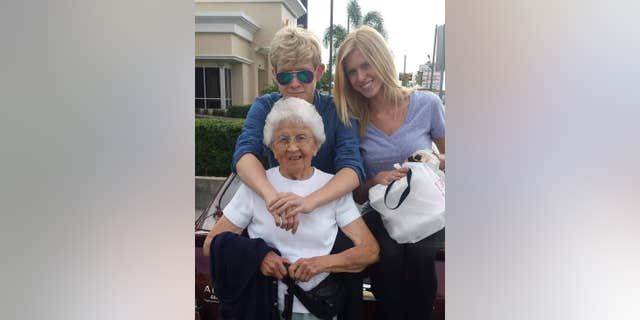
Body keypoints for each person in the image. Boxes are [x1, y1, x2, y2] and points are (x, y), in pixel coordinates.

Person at [204, 97, 379, 320]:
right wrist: (259, 257)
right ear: (272, 148)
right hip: (264, 308)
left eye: (302, 138)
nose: (292, 147)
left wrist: (320, 264)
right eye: (283, 139)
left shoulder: (332, 188)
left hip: (319, 309)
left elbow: (369, 251)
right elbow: (211, 244)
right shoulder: (257, 187)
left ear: (316, 145)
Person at [333, 26, 446, 320]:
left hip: (425, 207)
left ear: (382, 59)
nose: (360, 77)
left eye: (365, 65)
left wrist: (432, 158)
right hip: (383, 210)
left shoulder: (428, 104)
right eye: (352, 72)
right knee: (388, 253)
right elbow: (357, 192)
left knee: (421, 253)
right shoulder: (352, 122)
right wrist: (376, 179)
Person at [232, 26, 364, 233]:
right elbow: (245, 154)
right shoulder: (264, 106)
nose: (294, 84)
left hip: (328, 210)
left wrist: (309, 201)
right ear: (275, 75)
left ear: (318, 72)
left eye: (304, 75)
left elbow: (352, 168)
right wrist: (272, 198)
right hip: (278, 207)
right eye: (285, 76)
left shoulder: (337, 110)